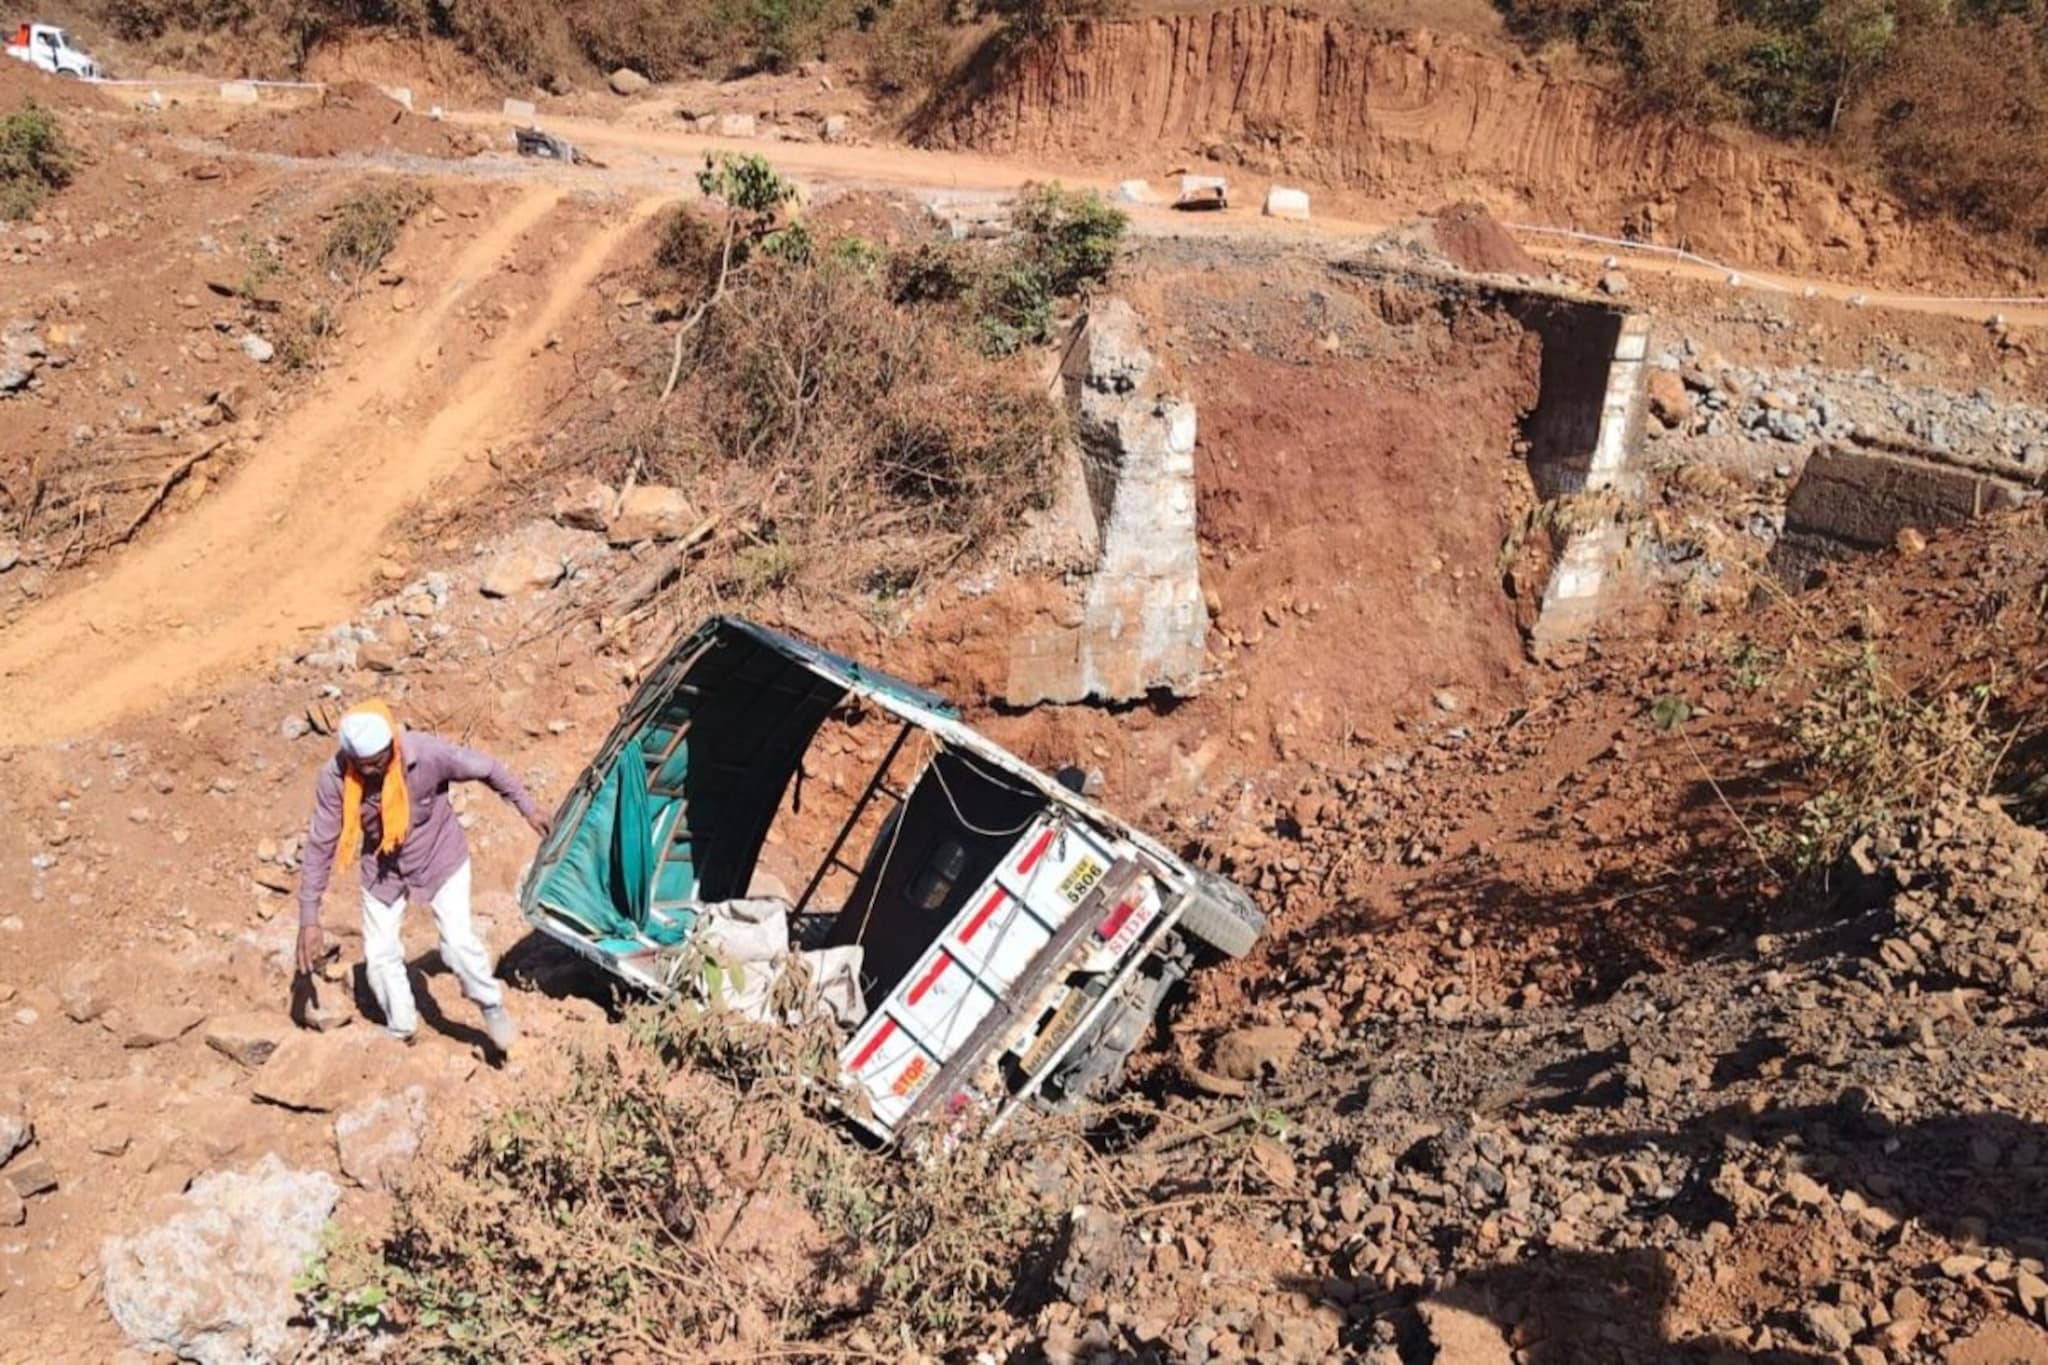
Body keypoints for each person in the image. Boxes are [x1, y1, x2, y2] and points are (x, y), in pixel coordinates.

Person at [295, 700, 552, 1054]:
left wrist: (528, 808)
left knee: (458, 945)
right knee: (381, 955)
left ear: (392, 746)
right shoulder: (336, 777)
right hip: (382, 871)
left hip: (441, 858)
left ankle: (492, 1009)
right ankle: (401, 1029)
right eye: (362, 765)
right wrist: (309, 917)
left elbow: (488, 768)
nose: (370, 771)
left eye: (378, 761)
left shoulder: (426, 754)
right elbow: (320, 844)